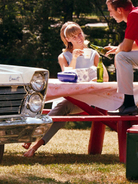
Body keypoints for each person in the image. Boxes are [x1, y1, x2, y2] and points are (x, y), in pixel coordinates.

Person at [24, 22, 99, 157]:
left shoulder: (93, 54)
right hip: (72, 98)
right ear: (67, 39)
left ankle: (33, 141)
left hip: (90, 99)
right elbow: (67, 77)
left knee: (62, 109)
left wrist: (97, 78)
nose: (78, 38)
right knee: (60, 110)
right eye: (73, 36)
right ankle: (34, 145)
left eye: (79, 34)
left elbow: (102, 77)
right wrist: (75, 59)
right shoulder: (64, 57)